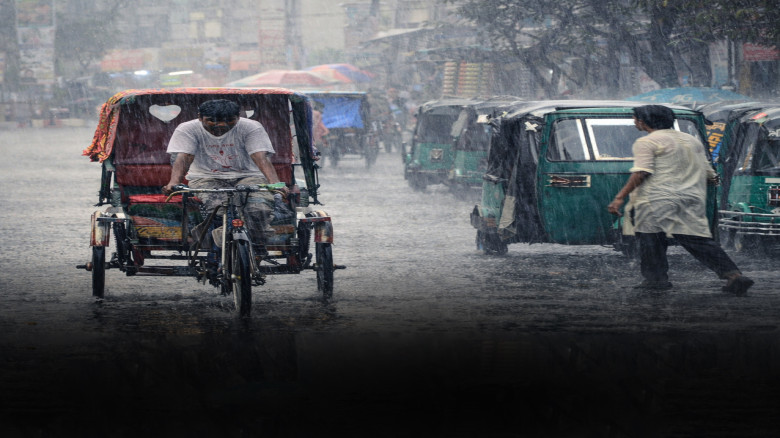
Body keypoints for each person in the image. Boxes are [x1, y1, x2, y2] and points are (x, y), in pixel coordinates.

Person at [607, 105, 754, 295]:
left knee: (650, 238)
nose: (634, 122)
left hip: (656, 200)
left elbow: (642, 172)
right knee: (697, 240)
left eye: (635, 119)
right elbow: (711, 175)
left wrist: (619, 198)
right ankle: (733, 275)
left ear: (643, 122)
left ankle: (656, 279)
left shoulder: (647, 142)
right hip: (690, 198)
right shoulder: (691, 140)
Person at [163, 99, 287, 248]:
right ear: (200, 117)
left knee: (258, 209)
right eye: (212, 121)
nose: (221, 125)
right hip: (205, 177)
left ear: (238, 118)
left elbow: (260, 157)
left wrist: (275, 183)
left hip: (249, 176)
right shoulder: (187, 129)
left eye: (229, 120)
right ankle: (223, 238)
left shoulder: (250, 127)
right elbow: (184, 157)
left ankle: (230, 238)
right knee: (222, 209)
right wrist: (174, 183)